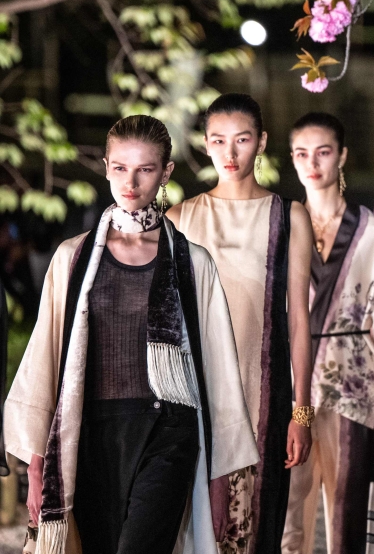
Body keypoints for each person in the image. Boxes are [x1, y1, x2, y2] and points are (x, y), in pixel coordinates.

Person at [5, 115, 258, 553]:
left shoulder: (191, 262)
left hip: (169, 430)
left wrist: (221, 475)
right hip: (90, 435)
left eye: (145, 168)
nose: (131, 180)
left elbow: (218, 372)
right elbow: (46, 360)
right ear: (105, 167)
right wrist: (36, 468)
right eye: (120, 167)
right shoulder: (73, 258)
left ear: (166, 172)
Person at [166, 93, 314, 554]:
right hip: (194, 398)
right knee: (193, 528)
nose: (230, 154)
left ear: (262, 142)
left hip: (263, 398)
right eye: (218, 141)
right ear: (205, 144)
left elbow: (298, 320)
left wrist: (302, 411)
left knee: (257, 528)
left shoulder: (288, 216)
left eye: (242, 140)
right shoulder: (180, 217)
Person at [281, 112, 374, 554]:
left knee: (349, 511)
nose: (313, 163)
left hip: (356, 384)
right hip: (293, 388)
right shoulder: (280, 228)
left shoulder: (372, 232)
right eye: (303, 154)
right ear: (292, 159)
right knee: (290, 510)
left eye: (324, 152)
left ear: (342, 156)